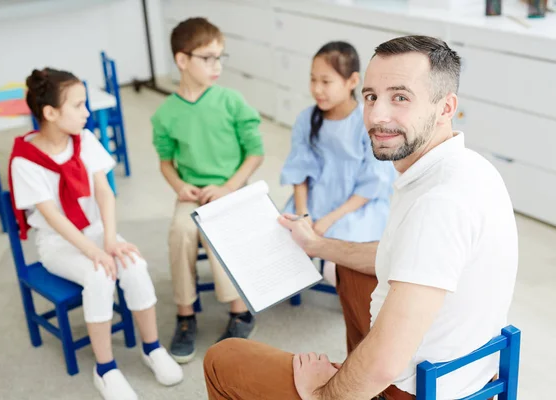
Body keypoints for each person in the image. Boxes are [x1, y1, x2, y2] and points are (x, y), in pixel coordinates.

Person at [203, 35, 518, 400]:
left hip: (414, 390)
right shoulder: (467, 168)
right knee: (351, 270)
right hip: (462, 367)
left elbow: (386, 362)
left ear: (446, 108)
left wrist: (323, 392)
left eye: (400, 97)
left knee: (223, 357)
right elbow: (400, 255)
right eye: (371, 97)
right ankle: (355, 372)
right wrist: (317, 244)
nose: (377, 115)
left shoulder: (438, 204)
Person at [9, 68, 182, 400]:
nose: (87, 112)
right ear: (50, 113)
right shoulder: (24, 161)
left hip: (97, 232)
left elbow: (105, 192)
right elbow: (53, 217)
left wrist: (111, 239)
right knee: (100, 275)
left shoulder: (84, 139)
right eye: (78, 105)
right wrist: (95, 252)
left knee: (133, 264)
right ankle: (105, 369)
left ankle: (152, 348)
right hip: (59, 244)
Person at [152, 17, 264, 364]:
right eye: (208, 58)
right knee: (181, 230)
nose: (217, 66)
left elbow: (255, 153)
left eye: (220, 57)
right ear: (182, 60)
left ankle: (240, 311)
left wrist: (228, 186)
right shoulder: (165, 114)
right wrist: (180, 186)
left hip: (232, 189)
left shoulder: (232, 101)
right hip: (192, 193)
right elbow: (166, 161)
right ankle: (185, 315)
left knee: (216, 230)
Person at [280, 41, 395, 286]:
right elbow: (299, 173)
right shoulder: (306, 119)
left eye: (326, 81)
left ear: (352, 81)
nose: (317, 89)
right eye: (313, 80)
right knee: (278, 249)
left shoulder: (369, 122)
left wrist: (329, 220)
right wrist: (303, 215)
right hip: (313, 202)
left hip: (355, 209)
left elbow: (373, 184)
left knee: (338, 270)